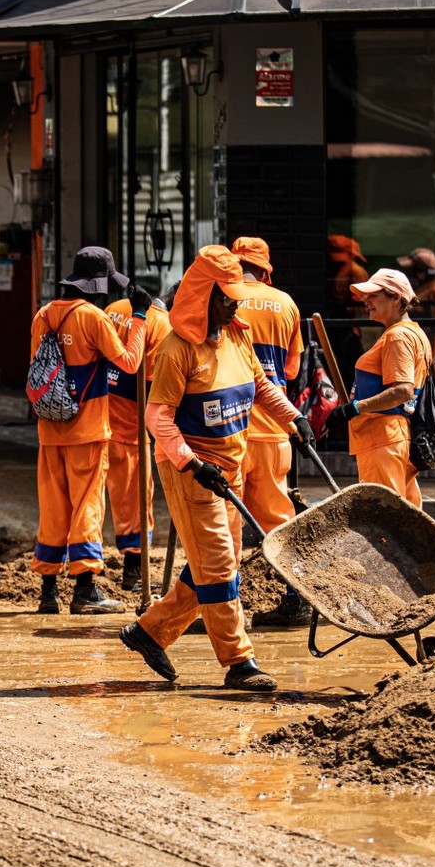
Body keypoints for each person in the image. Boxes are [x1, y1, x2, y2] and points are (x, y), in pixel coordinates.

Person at [117, 245, 315, 693]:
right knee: (221, 566)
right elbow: (158, 418)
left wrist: (293, 417)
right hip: (192, 473)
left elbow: (261, 384)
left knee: (208, 566)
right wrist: (191, 462)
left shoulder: (236, 335)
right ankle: (238, 662)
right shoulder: (175, 351)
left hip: (232, 467)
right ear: (203, 296)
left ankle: (149, 631)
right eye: (226, 297)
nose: (235, 303)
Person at [29, 246, 150, 616]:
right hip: (88, 430)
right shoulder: (93, 318)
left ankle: (48, 591)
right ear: (98, 287)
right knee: (87, 507)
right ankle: (84, 589)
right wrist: (141, 317)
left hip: (50, 429)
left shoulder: (43, 315)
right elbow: (129, 363)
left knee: (52, 507)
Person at [229, 236, 311, 628]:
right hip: (275, 430)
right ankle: (298, 599)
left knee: (226, 524)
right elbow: (291, 372)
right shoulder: (286, 304)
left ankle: (228, 608)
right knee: (280, 523)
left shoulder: (223, 298)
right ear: (265, 270)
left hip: (229, 430)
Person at [324, 268, 434, 507]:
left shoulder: (398, 337)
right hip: (394, 435)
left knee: (384, 516)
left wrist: (354, 408)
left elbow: (402, 390)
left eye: (374, 295)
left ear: (395, 298)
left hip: (382, 437)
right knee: (403, 514)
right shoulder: (414, 334)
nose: (367, 301)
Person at [103, 289, 171, 593]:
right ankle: (133, 574)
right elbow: (153, 388)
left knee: (90, 504)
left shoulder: (113, 308)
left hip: (97, 419)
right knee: (134, 503)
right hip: (131, 430)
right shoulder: (162, 325)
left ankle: (79, 578)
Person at [397, 247, 435, 354]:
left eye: (413, 268)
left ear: (421, 271)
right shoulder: (425, 287)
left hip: (427, 347)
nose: (410, 272)